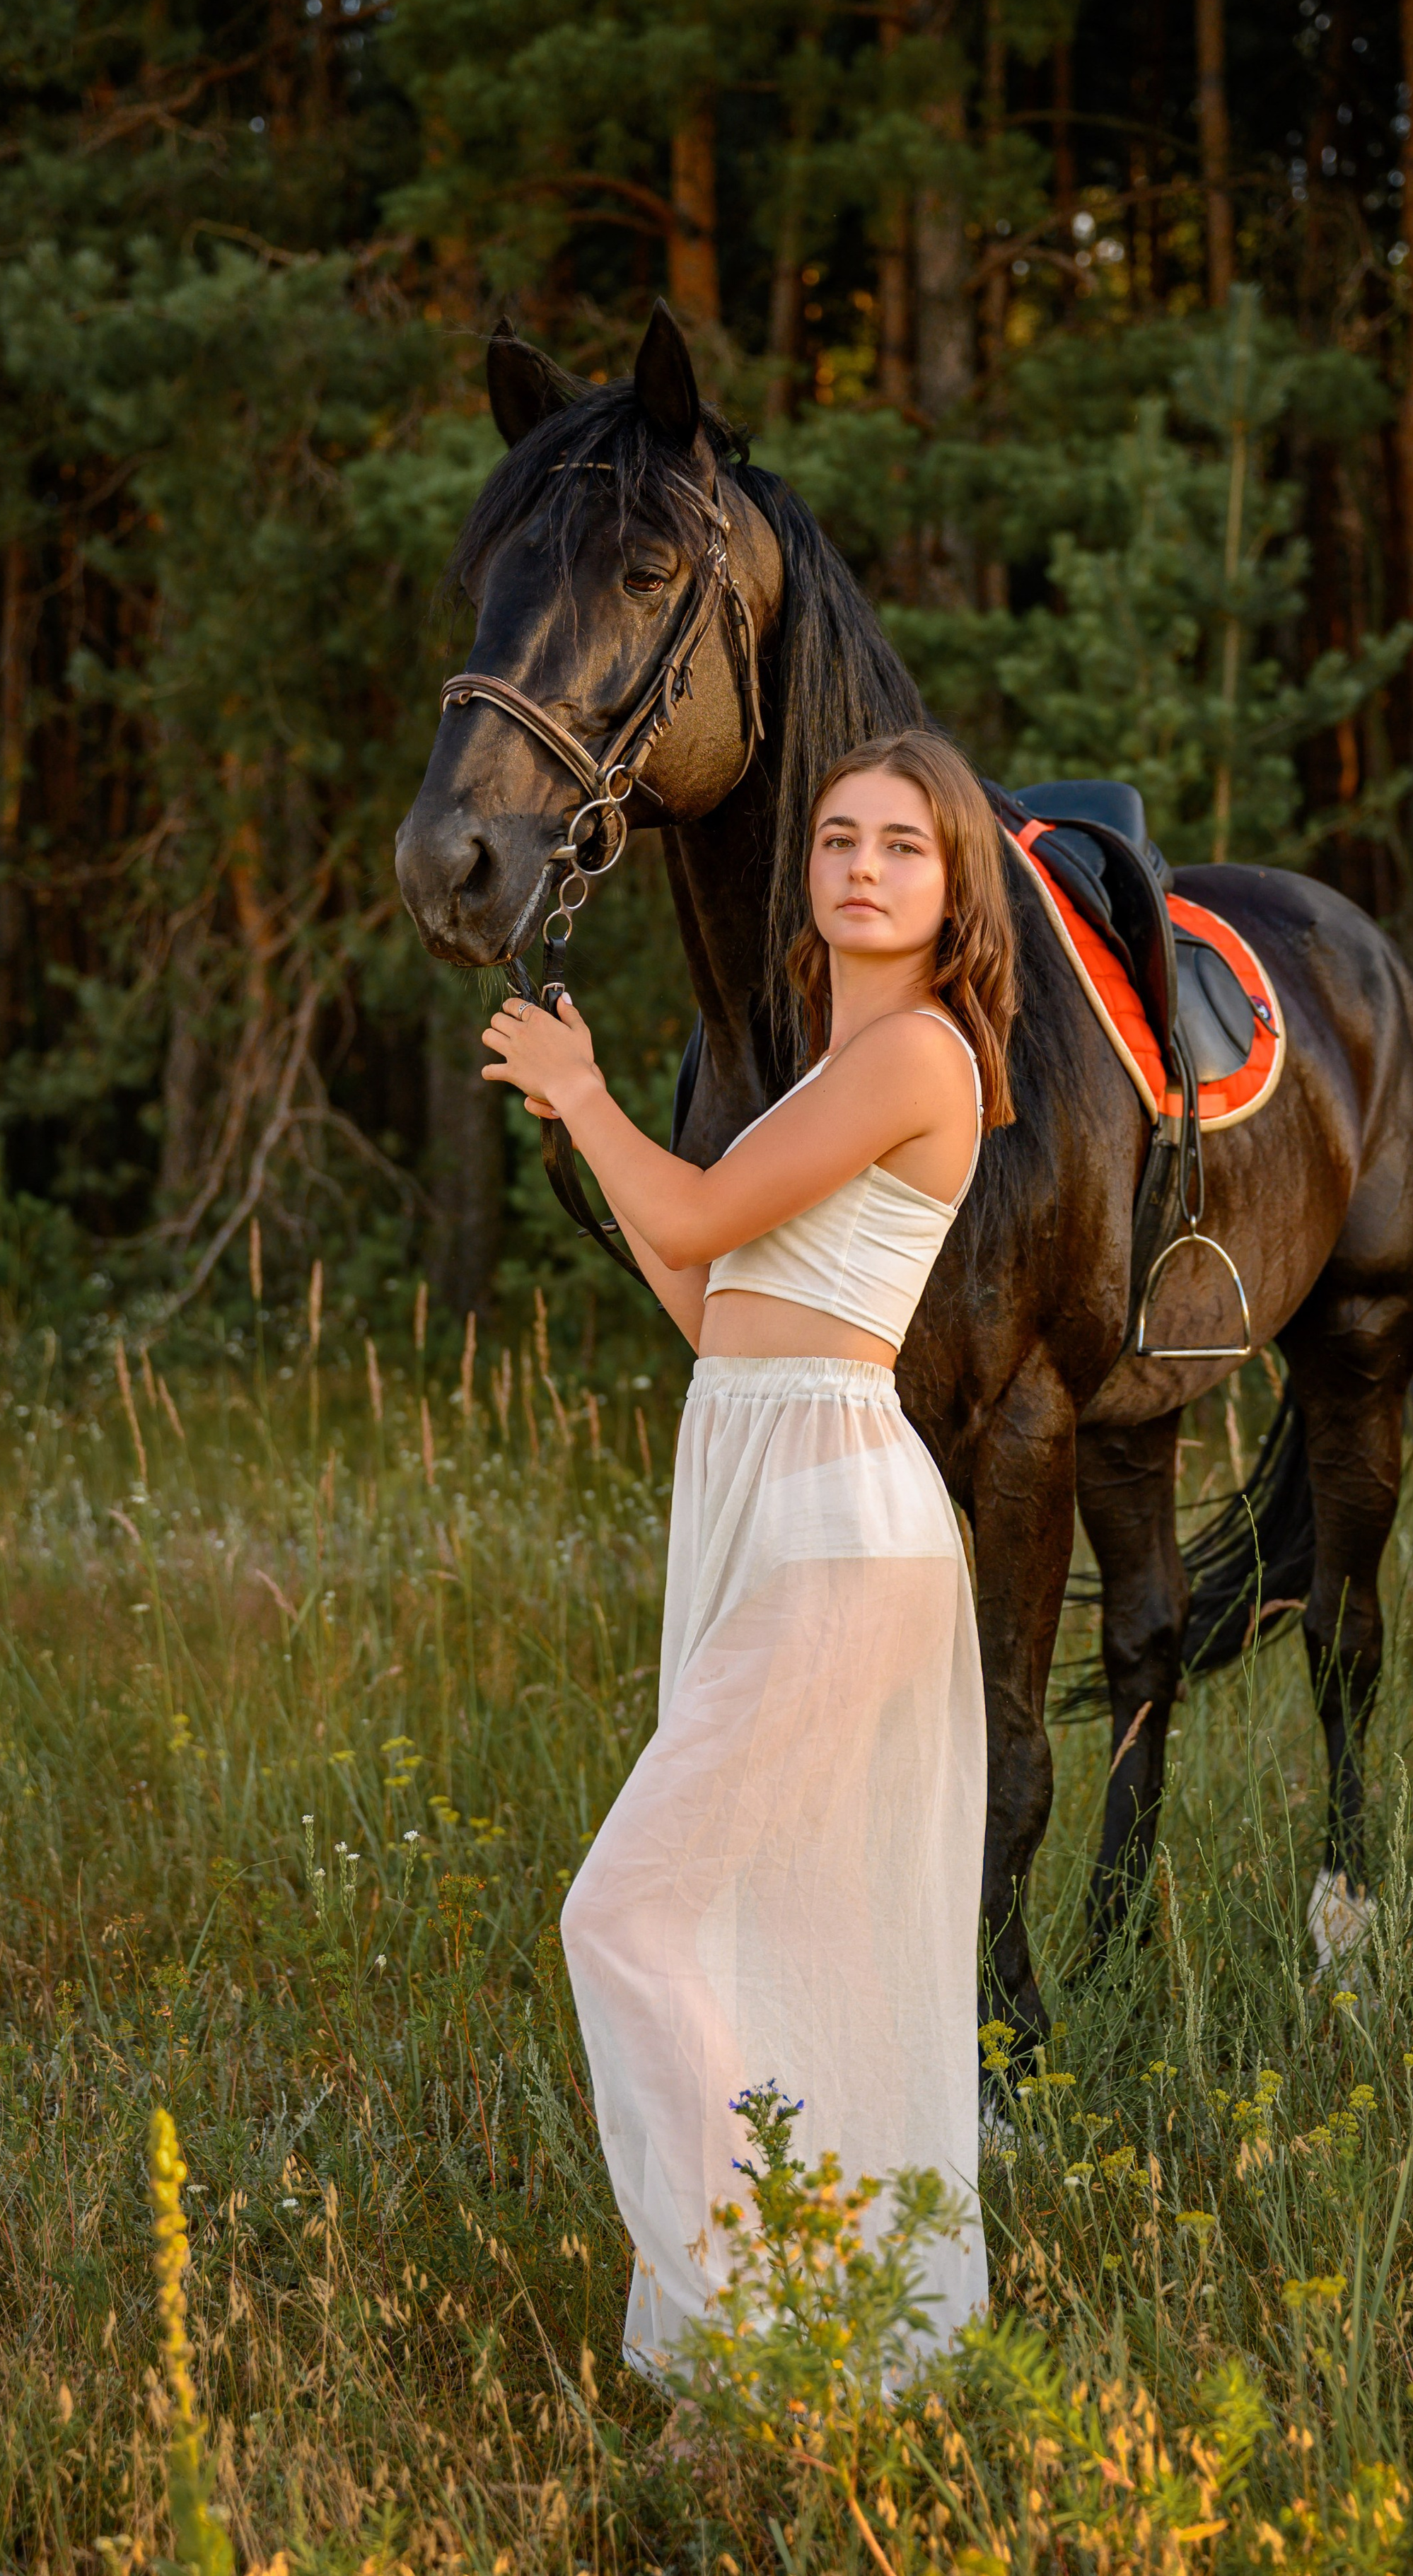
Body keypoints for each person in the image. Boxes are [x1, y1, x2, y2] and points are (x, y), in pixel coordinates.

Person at [479, 728, 1017, 2386]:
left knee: (626, 1912)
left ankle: (758, 2315)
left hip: (830, 1516)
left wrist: (584, 1099)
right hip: (762, 1460)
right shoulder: (818, 1072)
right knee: (767, 1928)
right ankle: (811, 2320)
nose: (859, 863)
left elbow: (705, 1216)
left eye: (903, 846)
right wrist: (601, 1141)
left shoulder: (919, 1054)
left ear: (952, 893)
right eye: (838, 835)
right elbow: (714, 1312)